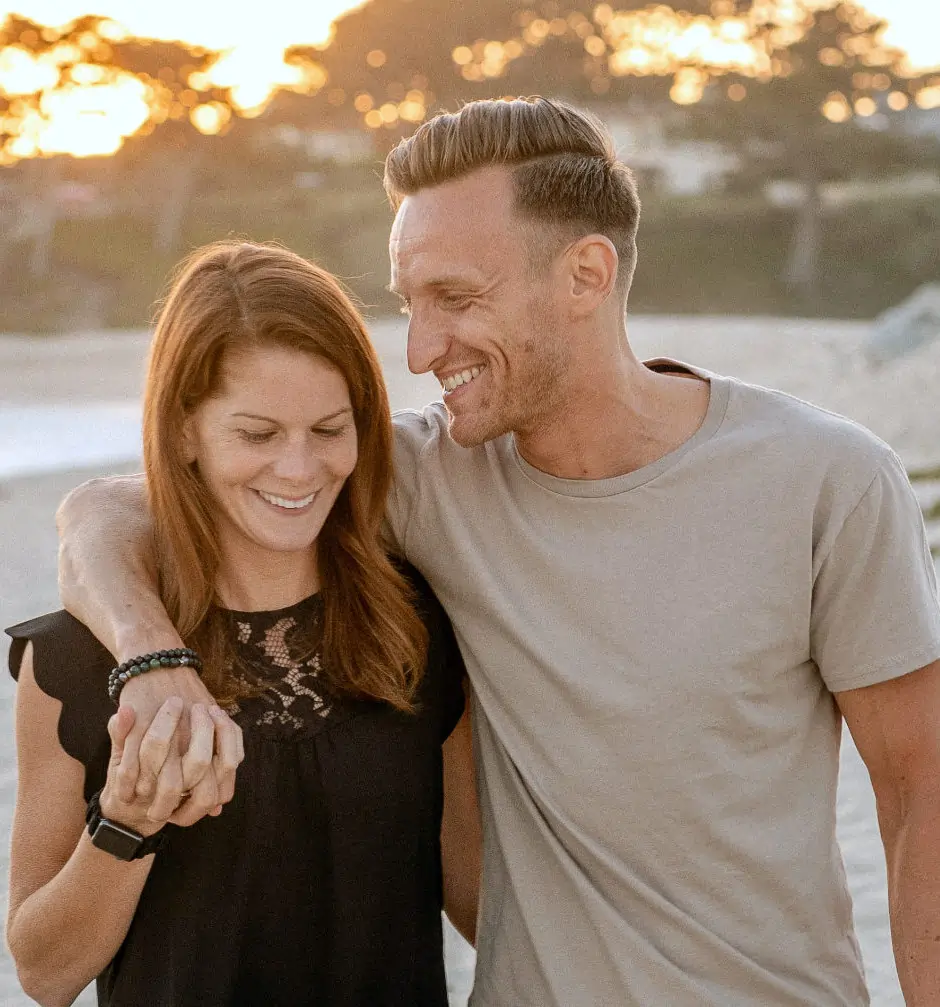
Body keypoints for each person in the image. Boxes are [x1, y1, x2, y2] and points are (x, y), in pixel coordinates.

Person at [55, 98, 940, 1006]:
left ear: (587, 275)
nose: (422, 350)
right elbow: (102, 512)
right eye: (409, 304)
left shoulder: (828, 480)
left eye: (456, 298)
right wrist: (152, 658)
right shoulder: (425, 477)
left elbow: (920, 796)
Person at [6, 241, 479, 1007]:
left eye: (330, 429)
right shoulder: (74, 660)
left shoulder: (418, 630)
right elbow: (44, 973)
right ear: (185, 431)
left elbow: (481, 904)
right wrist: (127, 819)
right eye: (257, 434)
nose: (299, 470)